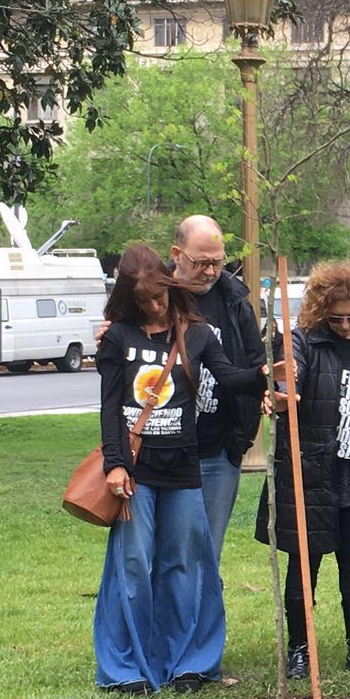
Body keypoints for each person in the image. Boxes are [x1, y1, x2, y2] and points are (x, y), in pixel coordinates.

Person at [94, 244, 266, 693]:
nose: (155, 306)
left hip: (184, 468)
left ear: (170, 288)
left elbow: (230, 378)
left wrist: (268, 375)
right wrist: (116, 465)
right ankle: (125, 669)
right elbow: (111, 408)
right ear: (129, 300)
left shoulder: (198, 333)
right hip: (135, 471)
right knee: (132, 564)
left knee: (186, 563)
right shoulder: (118, 338)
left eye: (160, 297)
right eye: (144, 301)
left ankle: (190, 662)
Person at [255, 264, 350, 681]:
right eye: (337, 318)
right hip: (313, 471)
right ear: (322, 313)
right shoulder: (303, 342)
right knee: (305, 564)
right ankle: (300, 649)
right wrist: (281, 391)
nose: (345, 325)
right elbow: (286, 374)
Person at [95, 216, 268, 565]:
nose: (210, 271)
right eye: (201, 262)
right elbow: (116, 384)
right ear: (177, 254)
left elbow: (247, 368)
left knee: (202, 556)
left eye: (218, 262)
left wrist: (264, 384)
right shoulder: (149, 293)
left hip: (219, 451)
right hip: (153, 454)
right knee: (148, 556)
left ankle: (198, 620)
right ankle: (154, 620)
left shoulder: (235, 302)